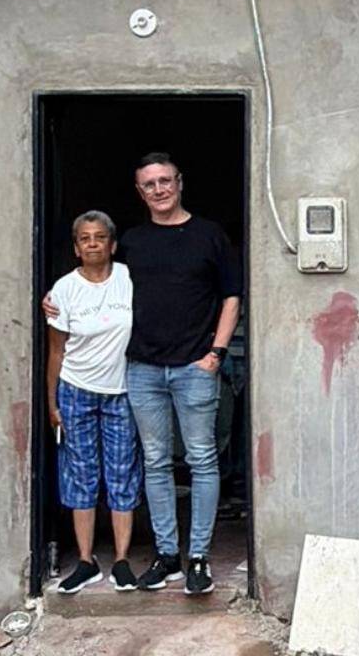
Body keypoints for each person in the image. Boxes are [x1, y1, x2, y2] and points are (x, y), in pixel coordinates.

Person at [45, 152, 242, 597]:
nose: (159, 190)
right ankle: (167, 556)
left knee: (201, 460)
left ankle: (198, 557)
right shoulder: (132, 242)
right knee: (155, 463)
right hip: (143, 370)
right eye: (149, 184)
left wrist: (216, 353)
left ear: (179, 182)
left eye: (165, 180)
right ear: (140, 191)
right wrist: (55, 299)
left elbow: (232, 295)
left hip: (195, 367)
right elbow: (95, 278)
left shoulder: (210, 235)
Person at [47, 210, 141, 594]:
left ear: (112, 244)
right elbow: (56, 351)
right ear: (76, 247)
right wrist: (52, 403)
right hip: (76, 389)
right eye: (84, 238)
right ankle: (86, 561)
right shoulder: (64, 290)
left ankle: (121, 560)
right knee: (81, 474)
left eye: (100, 237)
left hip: (122, 390)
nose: (92, 244)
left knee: (122, 473)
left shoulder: (129, 279)